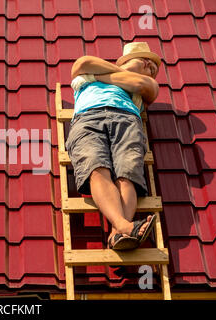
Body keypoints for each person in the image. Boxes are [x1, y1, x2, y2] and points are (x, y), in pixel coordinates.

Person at [65, 42, 161, 250]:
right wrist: (125, 76)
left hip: (126, 119)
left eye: (153, 68)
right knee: (96, 168)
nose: (149, 65)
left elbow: (149, 87)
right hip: (88, 118)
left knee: (128, 174)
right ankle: (123, 228)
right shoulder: (106, 74)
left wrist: (94, 77)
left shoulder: (93, 78)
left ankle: (120, 231)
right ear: (125, 61)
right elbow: (82, 63)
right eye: (144, 60)